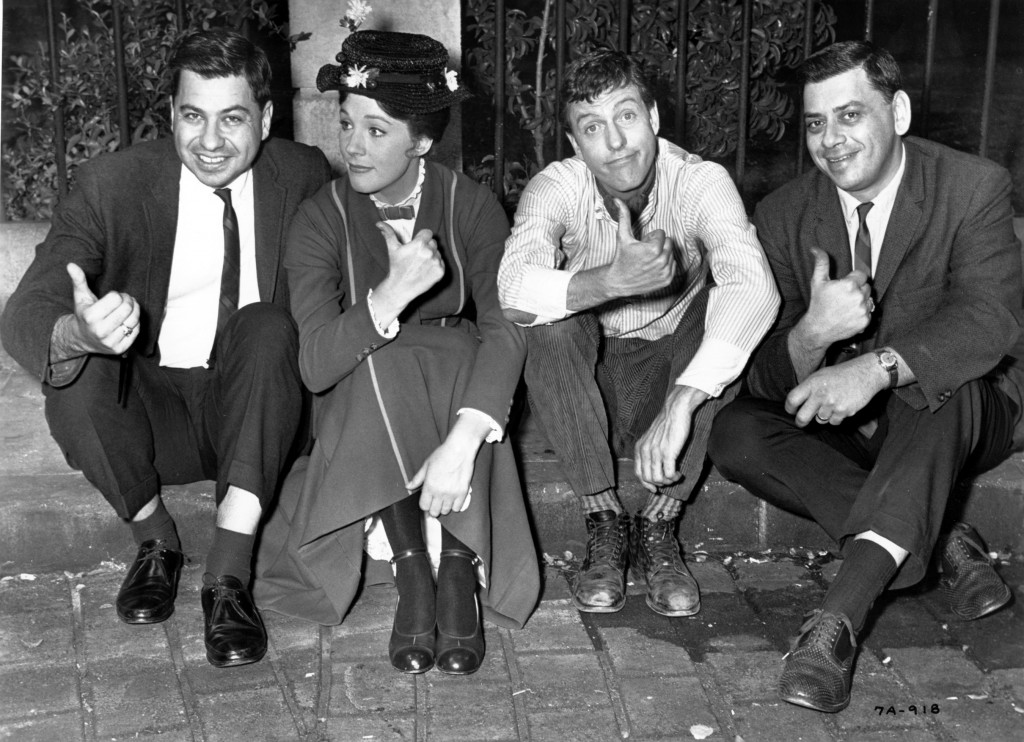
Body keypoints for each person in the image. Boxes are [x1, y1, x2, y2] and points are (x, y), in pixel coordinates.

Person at [0, 29, 332, 668]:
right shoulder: (112, 184)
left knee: (267, 325)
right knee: (75, 365)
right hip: (151, 419)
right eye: (192, 117)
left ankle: (228, 576)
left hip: (256, 412)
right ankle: (156, 538)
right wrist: (80, 334)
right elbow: (27, 311)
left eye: (232, 119)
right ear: (173, 115)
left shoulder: (304, 174)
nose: (209, 143)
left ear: (264, 118)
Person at [708, 40, 1021, 713]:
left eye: (850, 116)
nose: (831, 140)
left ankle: (836, 624)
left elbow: (988, 321)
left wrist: (877, 368)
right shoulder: (787, 213)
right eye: (817, 124)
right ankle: (933, 536)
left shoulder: (972, 187)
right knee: (735, 435)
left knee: (942, 382)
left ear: (899, 111)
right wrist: (813, 333)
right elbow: (761, 381)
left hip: (968, 414)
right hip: (860, 435)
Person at [253, 30, 540, 676]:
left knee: (472, 354)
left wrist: (464, 443)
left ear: (424, 141)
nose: (352, 145)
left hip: (451, 395)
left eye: (376, 131)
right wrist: (385, 299)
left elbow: (506, 325)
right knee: (379, 358)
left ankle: (459, 568)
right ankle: (414, 569)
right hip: (359, 398)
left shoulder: (471, 205)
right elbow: (317, 363)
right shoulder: (320, 218)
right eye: (347, 123)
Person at [498, 50, 780, 619]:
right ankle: (603, 519)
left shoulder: (701, 181)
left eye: (626, 116)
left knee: (725, 313)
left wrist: (684, 398)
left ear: (653, 117)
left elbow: (756, 288)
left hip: (670, 380)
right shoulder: (555, 187)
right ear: (576, 145)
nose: (616, 142)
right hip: (590, 388)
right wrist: (608, 280)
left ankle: (659, 525)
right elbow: (512, 289)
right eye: (592, 128)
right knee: (546, 320)